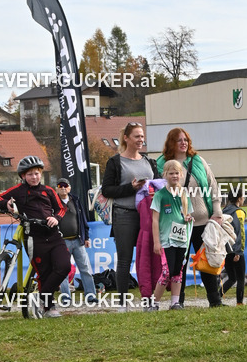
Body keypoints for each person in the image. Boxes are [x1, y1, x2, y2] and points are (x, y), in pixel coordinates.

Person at [0, 156, 70, 317]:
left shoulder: (48, 191)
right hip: (34, 238)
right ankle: (49, 307)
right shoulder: (17, 191)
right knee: (44, 273)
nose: (34, 177)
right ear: (22, 176)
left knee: (64, 266)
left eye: (36, 173)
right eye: (30, 174)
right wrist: (5, 204)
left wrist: (56, 218)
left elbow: (62, 208)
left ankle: (40, 298)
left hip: (54, 236)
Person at [158, 128, 223, 308]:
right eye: (179, 140)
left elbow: (213, 186)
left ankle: (215, 300)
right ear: (171, 142)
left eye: (185, 139)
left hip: (202, 221)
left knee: (207, 261)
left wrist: (217, 210)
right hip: (177, 223)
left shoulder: (198, 161)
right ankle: (178, 301)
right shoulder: (161, 163)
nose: (183, 143)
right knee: (179, 263)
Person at [101, 122, 158, 306]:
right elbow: (107, 190)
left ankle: (148, 297)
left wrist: (154, 191)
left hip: (148, 215)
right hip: (124, 215)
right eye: (136, 136)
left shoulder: (149, 161)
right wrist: (130, 188)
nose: (141, 140)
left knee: (149, 257)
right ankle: (122, 301)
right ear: (126, 138)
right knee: (124, 259)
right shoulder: (115, 162)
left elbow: (158, 185)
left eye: (142, 136)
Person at [150, 160, 193, 311]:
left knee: (177, 271)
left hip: (181, 240)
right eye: (171, 173)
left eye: (177, 173)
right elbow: (155, 220)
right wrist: (157, 242)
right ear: (165, 175)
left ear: (181, 175)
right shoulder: (160, 195)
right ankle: (154, 303)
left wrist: (188, 218)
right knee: (166, 272)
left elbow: (187, 214)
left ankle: (175, 302)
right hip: (166, 240)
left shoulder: (184, 194)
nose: (174, 176)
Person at [55, 178, 97, 307]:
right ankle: (65, 298)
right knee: (63, 271)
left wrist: (86, 237)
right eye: (60, 185)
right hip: (62, 243)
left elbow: (82, 220)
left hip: (78, 241)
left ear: (69, 188)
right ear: (56, 188)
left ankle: (91, 296)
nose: (63, 188)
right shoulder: (53, 202)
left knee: (85, 269)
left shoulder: (76, 200)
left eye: (65, 185)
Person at [222, 185, 246, 304]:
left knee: (232, 278)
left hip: (225, 250)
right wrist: (238, 251)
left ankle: (217, 296)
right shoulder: (239, 212)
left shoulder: (223, 211)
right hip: (236, 250)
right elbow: (240, 233)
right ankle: (239, 302)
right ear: (239, 198)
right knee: (240, 278)